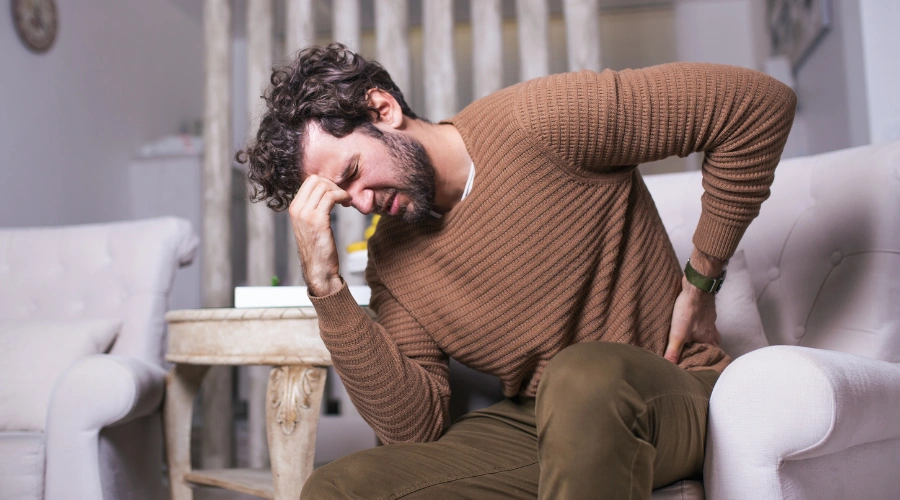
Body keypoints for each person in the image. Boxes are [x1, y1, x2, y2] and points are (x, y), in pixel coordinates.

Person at [237, 43, 796, 499]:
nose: (360, 204)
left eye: (354, 172)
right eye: (341, 199)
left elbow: (755, 106)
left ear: (383, 110)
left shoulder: (536, 122)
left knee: (581, 379)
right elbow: (414, 429)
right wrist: (327, 288)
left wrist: (701, 280)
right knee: (339, 487)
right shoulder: (391, 258)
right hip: (535, 422)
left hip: (670, 390)